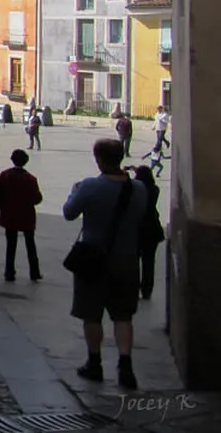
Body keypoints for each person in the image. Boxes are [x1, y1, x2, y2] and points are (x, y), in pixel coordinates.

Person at [63, 139, 148, 390]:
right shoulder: (139, 189)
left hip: (93, 260)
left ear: (99, 159)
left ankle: (95, 362)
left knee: (92, 314)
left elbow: (69, 212)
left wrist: (74, 191)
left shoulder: (90, 186)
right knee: (123, 316)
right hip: (127, 261)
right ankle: (126, 365)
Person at [0, 149, 44, 282]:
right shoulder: (31, 179)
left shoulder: (5, 175)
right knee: (30, 243)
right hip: (26, 215)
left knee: (11, 245)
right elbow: (37, 198)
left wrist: (1, 206)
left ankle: (9, 272)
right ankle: (34, 272)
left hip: (10, 214)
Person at [132, 165, 164, 301]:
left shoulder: (136, 190)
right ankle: (147, 290)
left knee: (133, 261)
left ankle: (134, 288)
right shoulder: (155, 190)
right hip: (153, 229)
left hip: (138, 229)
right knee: (149, 261)